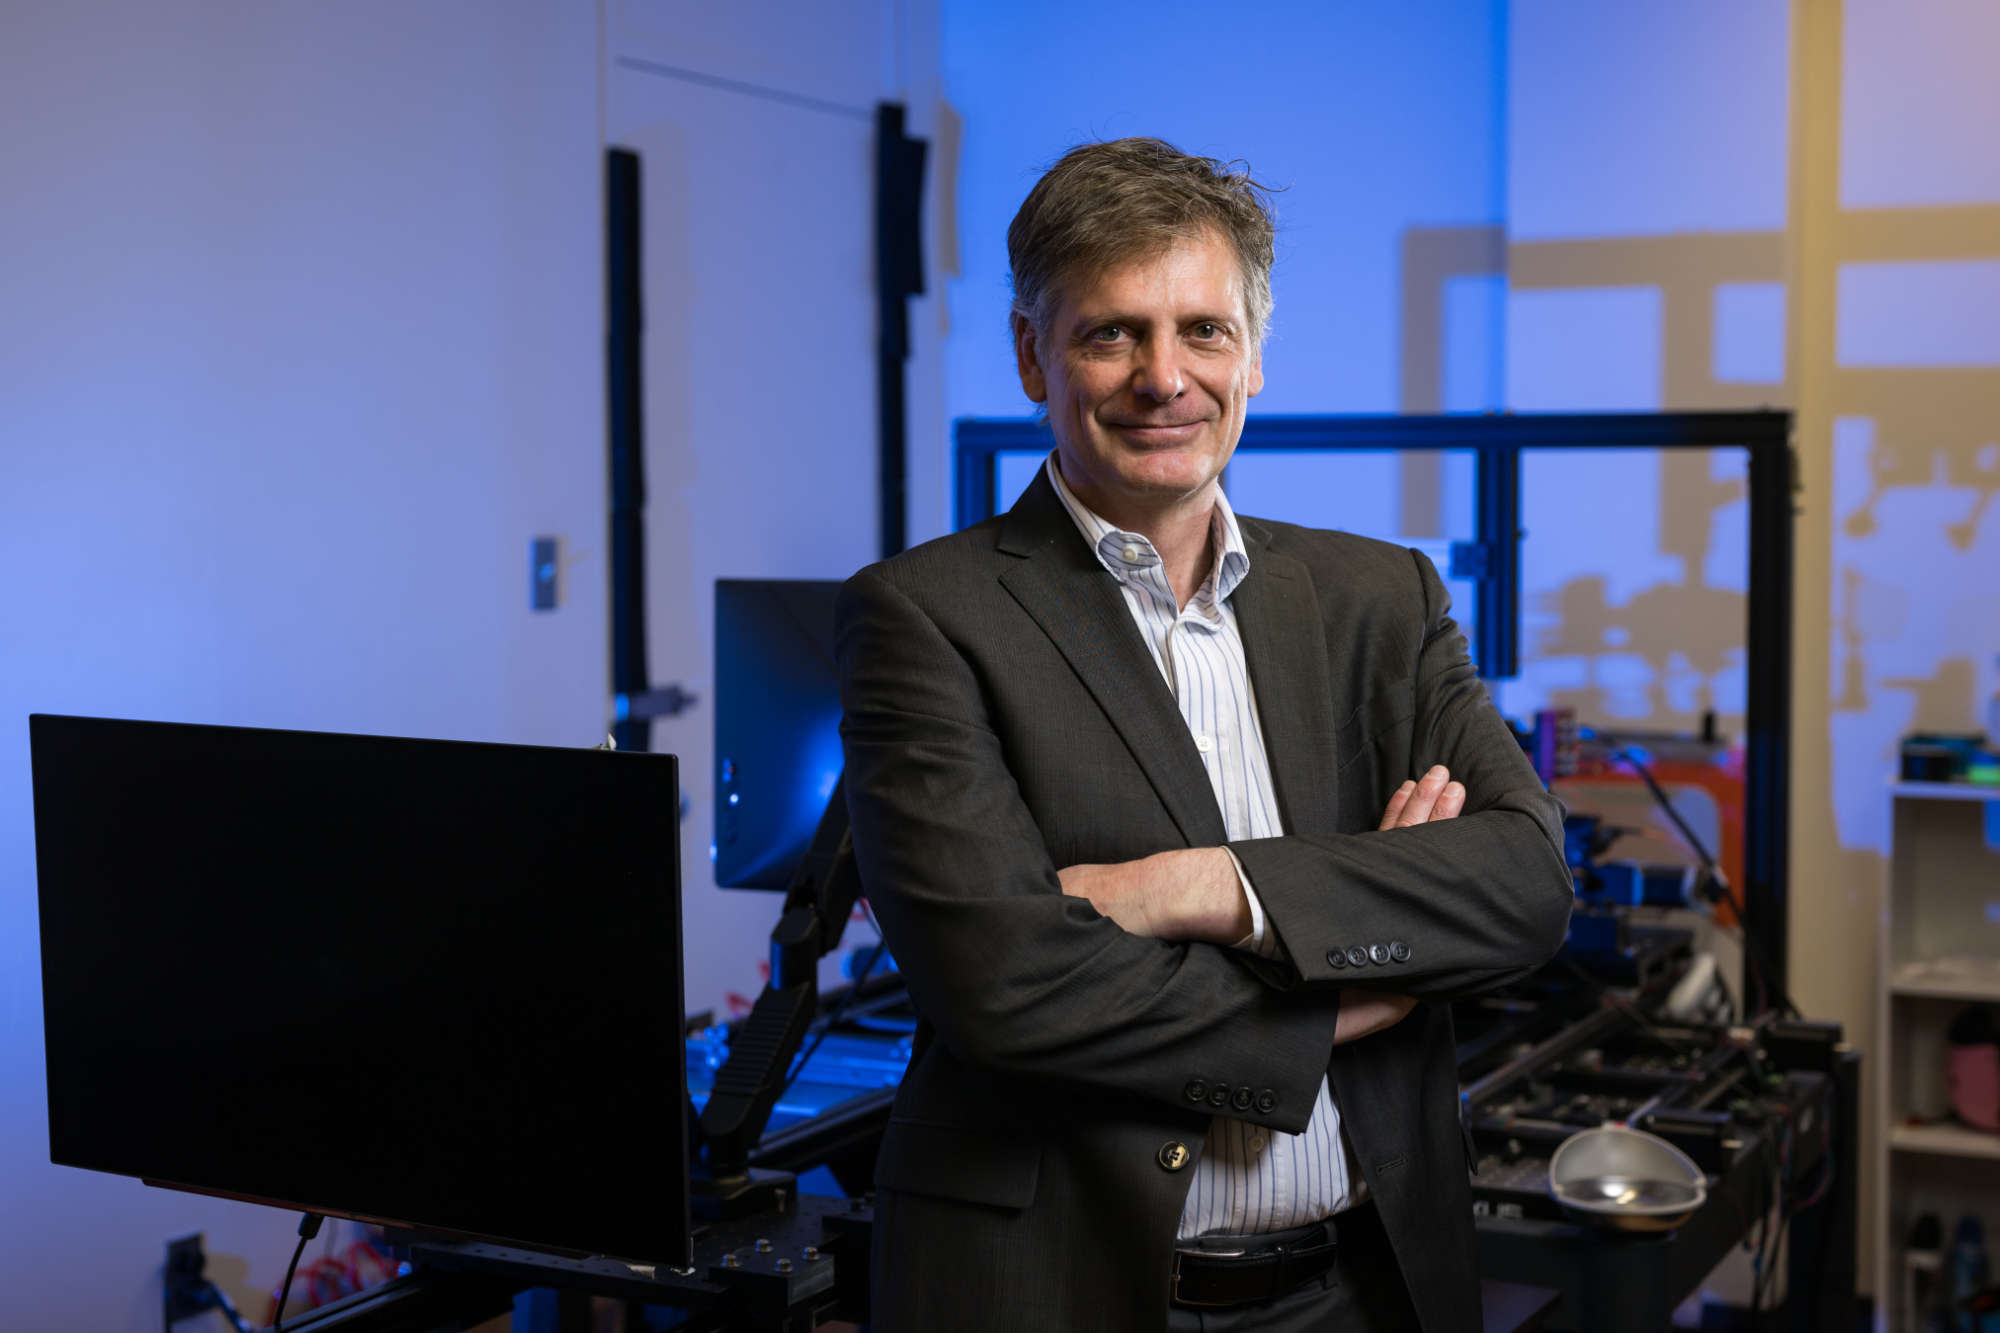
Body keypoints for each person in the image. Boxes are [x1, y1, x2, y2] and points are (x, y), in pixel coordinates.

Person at [835, 138, 1573, 1333]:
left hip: (1363, 1283)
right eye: (1110, 332)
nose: (1162, 377)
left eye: (1202, 331)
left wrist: (1199, 889)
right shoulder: (923, 616)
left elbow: (1525, 884)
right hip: (1067, 1292)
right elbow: (1000, 985)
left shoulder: (1379, 599)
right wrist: (1350, 986)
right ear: (1032, 354)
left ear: (1254, 354)